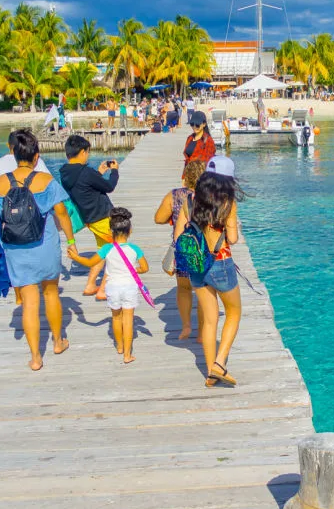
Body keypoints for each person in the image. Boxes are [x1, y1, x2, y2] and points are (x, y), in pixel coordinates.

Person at [0, 130, 76, 371]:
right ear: (36, 157)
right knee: (51, 293)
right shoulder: (46, 181)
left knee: (29, 302)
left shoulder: (1, 182)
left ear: (15, 155)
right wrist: (71, 240)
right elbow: (62, 213)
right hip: (44, 245)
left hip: (16, 248)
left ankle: (36, 357)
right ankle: (58, 342)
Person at [173, 156, 242, 387]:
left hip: (196, 267)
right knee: (233, 313)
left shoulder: (190, 199)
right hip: (220, 262)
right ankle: (220, 364)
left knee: (209, 321)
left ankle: (210, 373)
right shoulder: (228, 202)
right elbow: (232, 238)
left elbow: (179, 235)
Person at [68, 207, 148, 364]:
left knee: (116, 318)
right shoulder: (134, 249)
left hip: (112, 287)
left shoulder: (106, 249)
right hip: (129, 286)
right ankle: (127, 354)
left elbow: (90, 262)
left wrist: (75, 257)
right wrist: (133, 270)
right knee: (128, 320)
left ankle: (119, 346)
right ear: (130, 231)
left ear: (111, 231)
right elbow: (145, 268)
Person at [60, 135, 120, 300]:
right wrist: (114, 171)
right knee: (116, 251)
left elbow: (85, 187)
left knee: (103, 251)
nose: (88, 155)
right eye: (87, 152)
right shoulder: (85, 172)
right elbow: (109, 186)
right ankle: (103, 289)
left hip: (89, 219)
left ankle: (90, 284)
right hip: (103, 216)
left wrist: (99, 173)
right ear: (81, 152)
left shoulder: (65, 173)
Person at [154, 160, 207, 341]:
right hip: (203, 251)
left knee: (184, 289)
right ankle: (202, 332)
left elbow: (159, 218)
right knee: (203, 291)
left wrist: (173, 218)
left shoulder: (175, 195)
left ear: (185, 177)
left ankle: (186, 327)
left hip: (182, 248)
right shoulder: (209, 197)